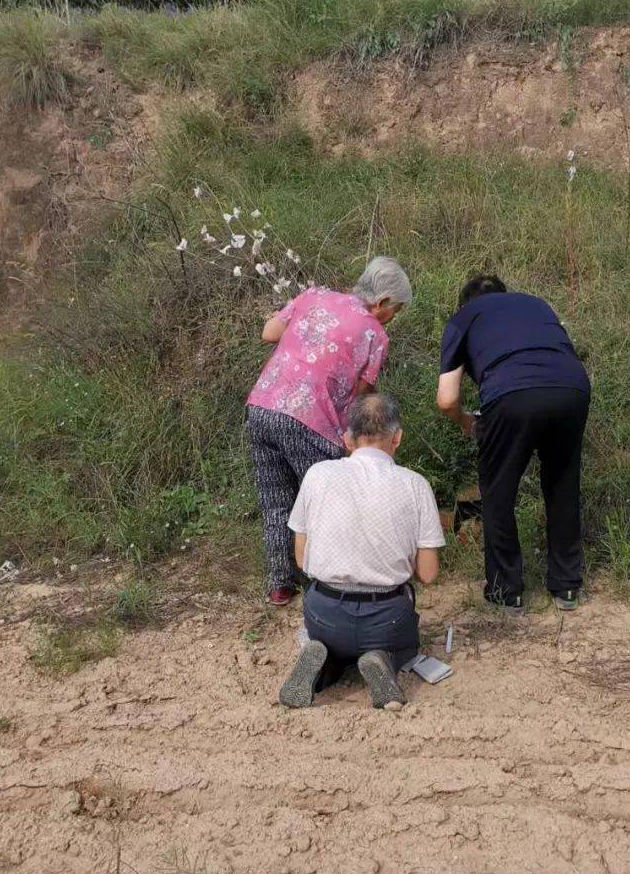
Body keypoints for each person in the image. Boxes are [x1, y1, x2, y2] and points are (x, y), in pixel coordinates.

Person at [247, 257, 413, 606]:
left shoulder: (313, 295)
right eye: (394, 311)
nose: (392, 318)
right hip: (311, 421)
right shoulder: (374, 333)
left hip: (262, 406)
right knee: (326, 501)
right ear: (381, 302)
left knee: (277, 501)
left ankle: (280, 585)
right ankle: (325, 584)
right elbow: (363, 397)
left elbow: (268, 333)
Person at [279, 393, 445, 711]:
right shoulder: (415, 485)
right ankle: (385, 659)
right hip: (386, 616)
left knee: (330, 644)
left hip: (325, 611)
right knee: (406, 646)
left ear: (347, 439)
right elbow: (428, 574)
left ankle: (323, 667)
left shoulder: (318, 475)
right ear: (397, 438)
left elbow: (302, 559)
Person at [436, 274, 591, 613]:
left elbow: (446, 399)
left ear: (464, 303)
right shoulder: (535, 304)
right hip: (572, 388)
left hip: (512, 394)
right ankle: (566, 588)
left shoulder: (464, 317)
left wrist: (467, 422)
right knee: (562, 485)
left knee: (498, 491)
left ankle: (507, 593)